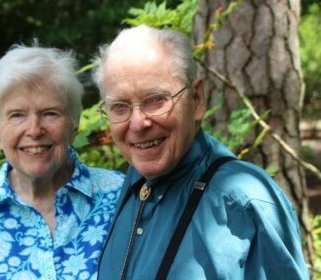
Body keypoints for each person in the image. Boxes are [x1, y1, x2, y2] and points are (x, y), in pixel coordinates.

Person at [92, 24, 309, 280]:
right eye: (120, 106)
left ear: (196, 99)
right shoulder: (133, 185)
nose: (138, 123)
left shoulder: (244, 202)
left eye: (156, 99)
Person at [0, 45, 124, 279]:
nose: (34, 130)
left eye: (50, 113)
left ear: (74, 125)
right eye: (17, 115)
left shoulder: (120, 197)